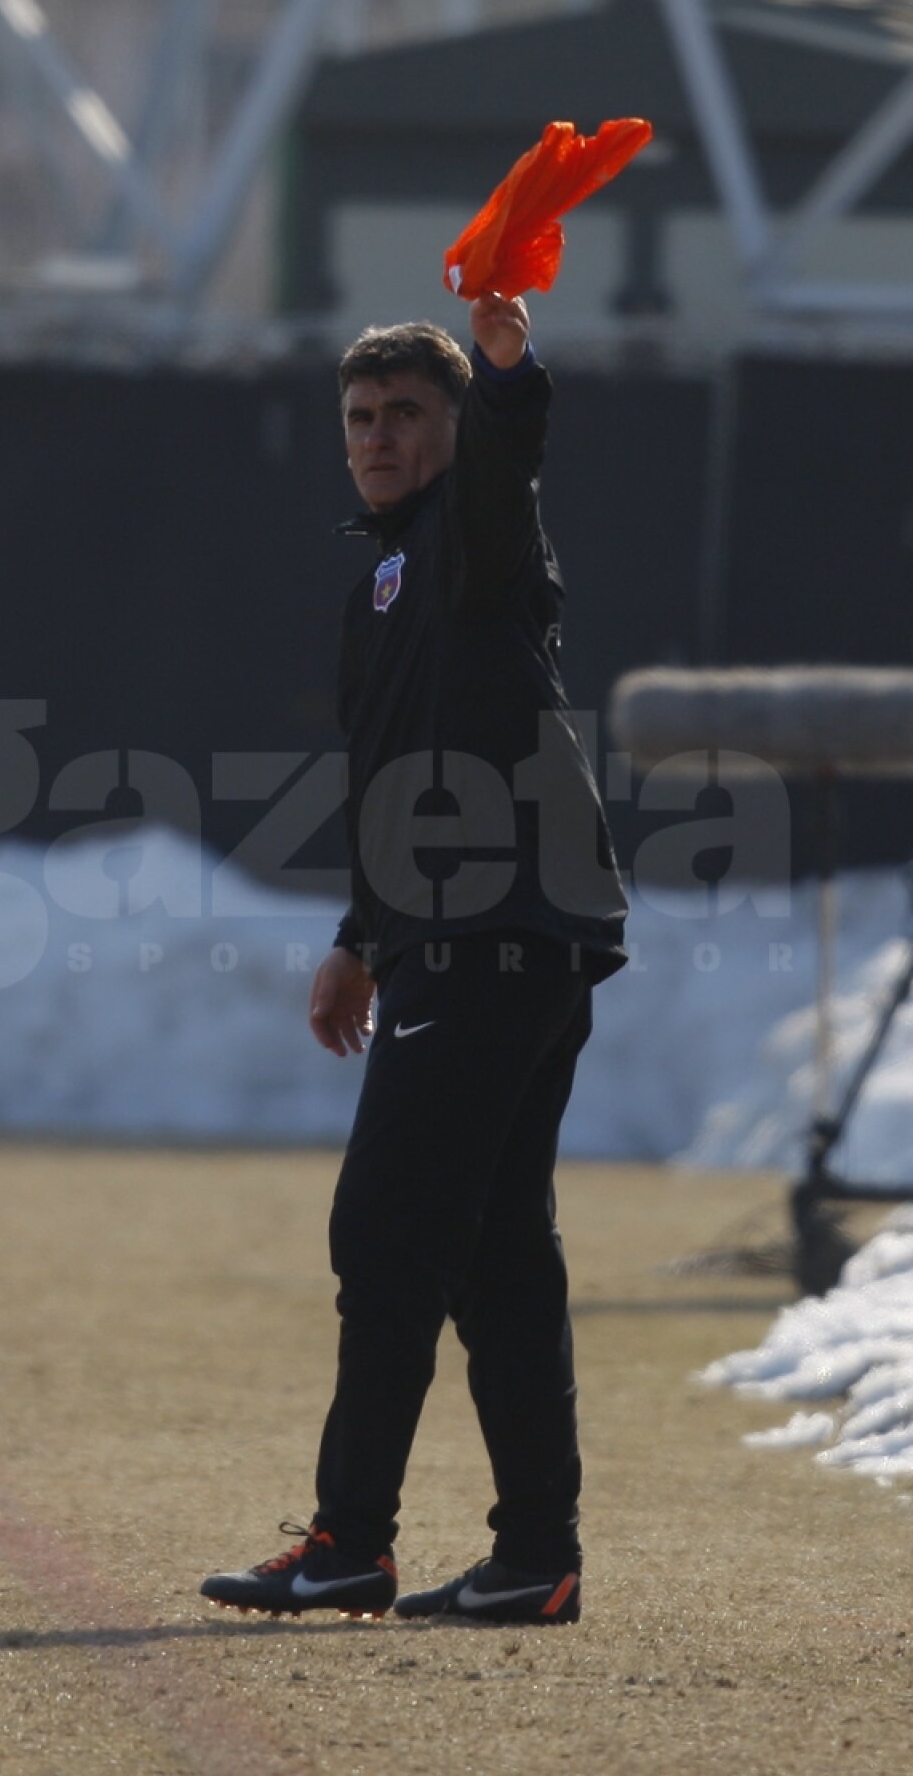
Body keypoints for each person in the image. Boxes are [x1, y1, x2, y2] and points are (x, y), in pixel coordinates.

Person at [201, 293, 627, 1625]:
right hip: (486, 934)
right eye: (359, 418)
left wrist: (504, 370)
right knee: (499, 1253)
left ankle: (350, 1544)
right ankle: (535, 1558)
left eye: (404, 414)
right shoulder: (385, 581)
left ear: (452, 430)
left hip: (495, 934)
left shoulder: (471, 537)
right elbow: (397, 780)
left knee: (387, 1229)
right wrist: (358, 936)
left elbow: (508, 458)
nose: (377, 437)